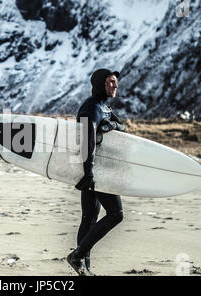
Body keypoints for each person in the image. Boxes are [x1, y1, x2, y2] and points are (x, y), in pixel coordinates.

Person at [67, 68, 126, 276]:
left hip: (96, 167)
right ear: (101, 83)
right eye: (110, 82)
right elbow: (87, 140)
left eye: (116, 82)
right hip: (94, 168)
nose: (115, 85)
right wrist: (88, 171)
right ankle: (78, 256)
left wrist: (113, 127)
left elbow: (121, 127)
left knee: (89, 217)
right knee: (116, 213)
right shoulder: (91, 107)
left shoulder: (104, 107)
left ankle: (84, 269)